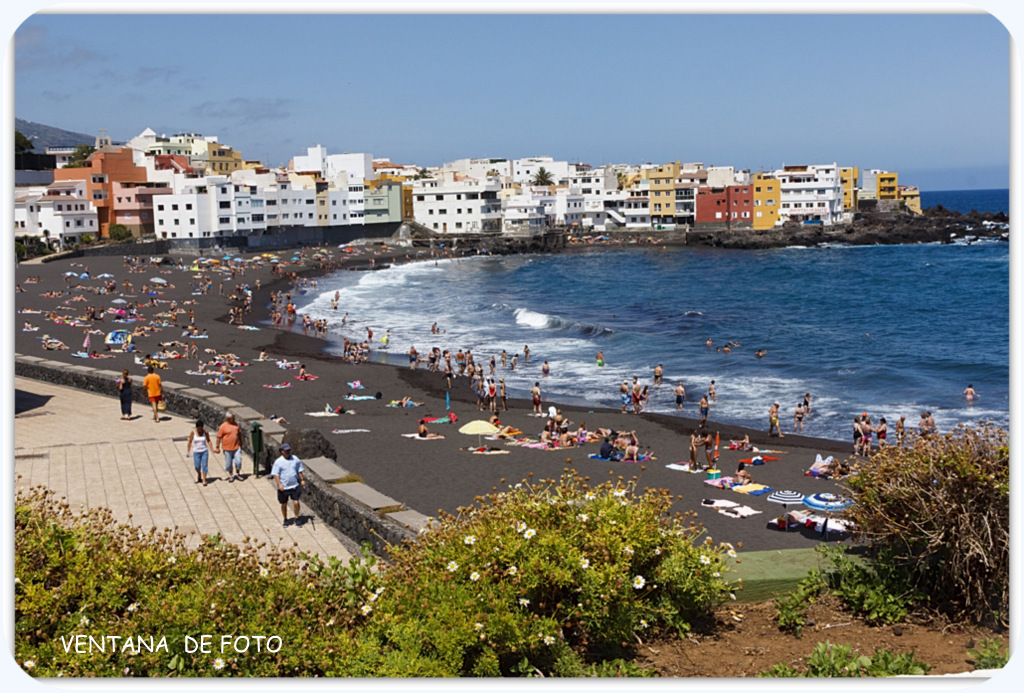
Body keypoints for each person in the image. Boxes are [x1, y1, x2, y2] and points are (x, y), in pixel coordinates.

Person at [270, 443, 305, 527]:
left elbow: (299, 470)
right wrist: (279, 485)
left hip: (294, 486)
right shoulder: (278, 462)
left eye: (289, 450)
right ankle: (285, 519)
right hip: (284, 487)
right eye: (286, 450)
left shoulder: (295, 459)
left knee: (296, 502)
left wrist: (302, 479)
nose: (288, 452)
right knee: (284, 504)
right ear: (282, 451)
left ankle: (297, 517)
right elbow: (276, 474)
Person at [216, 412, 244, 481]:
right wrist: (217, 447)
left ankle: (237, 474)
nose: (234, 419)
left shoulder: (236, 425)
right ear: (228, 419)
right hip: (227, 448)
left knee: (238, 461)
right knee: (228, 464)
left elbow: (239, 435)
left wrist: (241, 443)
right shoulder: (223, 426)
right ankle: (231, 475)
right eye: (232, 418)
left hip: (236, 447)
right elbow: (219, 438)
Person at [187, 420, 211, 486]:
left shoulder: (205, 432)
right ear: (196, 428)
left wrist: (212, 449)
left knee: (205, 465)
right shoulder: (193, 433)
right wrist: (188, 451)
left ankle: (204, 480)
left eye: (201, 428)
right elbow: (190, 441)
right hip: (196, 452)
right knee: (197, 466)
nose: (200, 430)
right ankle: (199, 473)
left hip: (204, 451)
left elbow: (208, 440)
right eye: (199, 429)